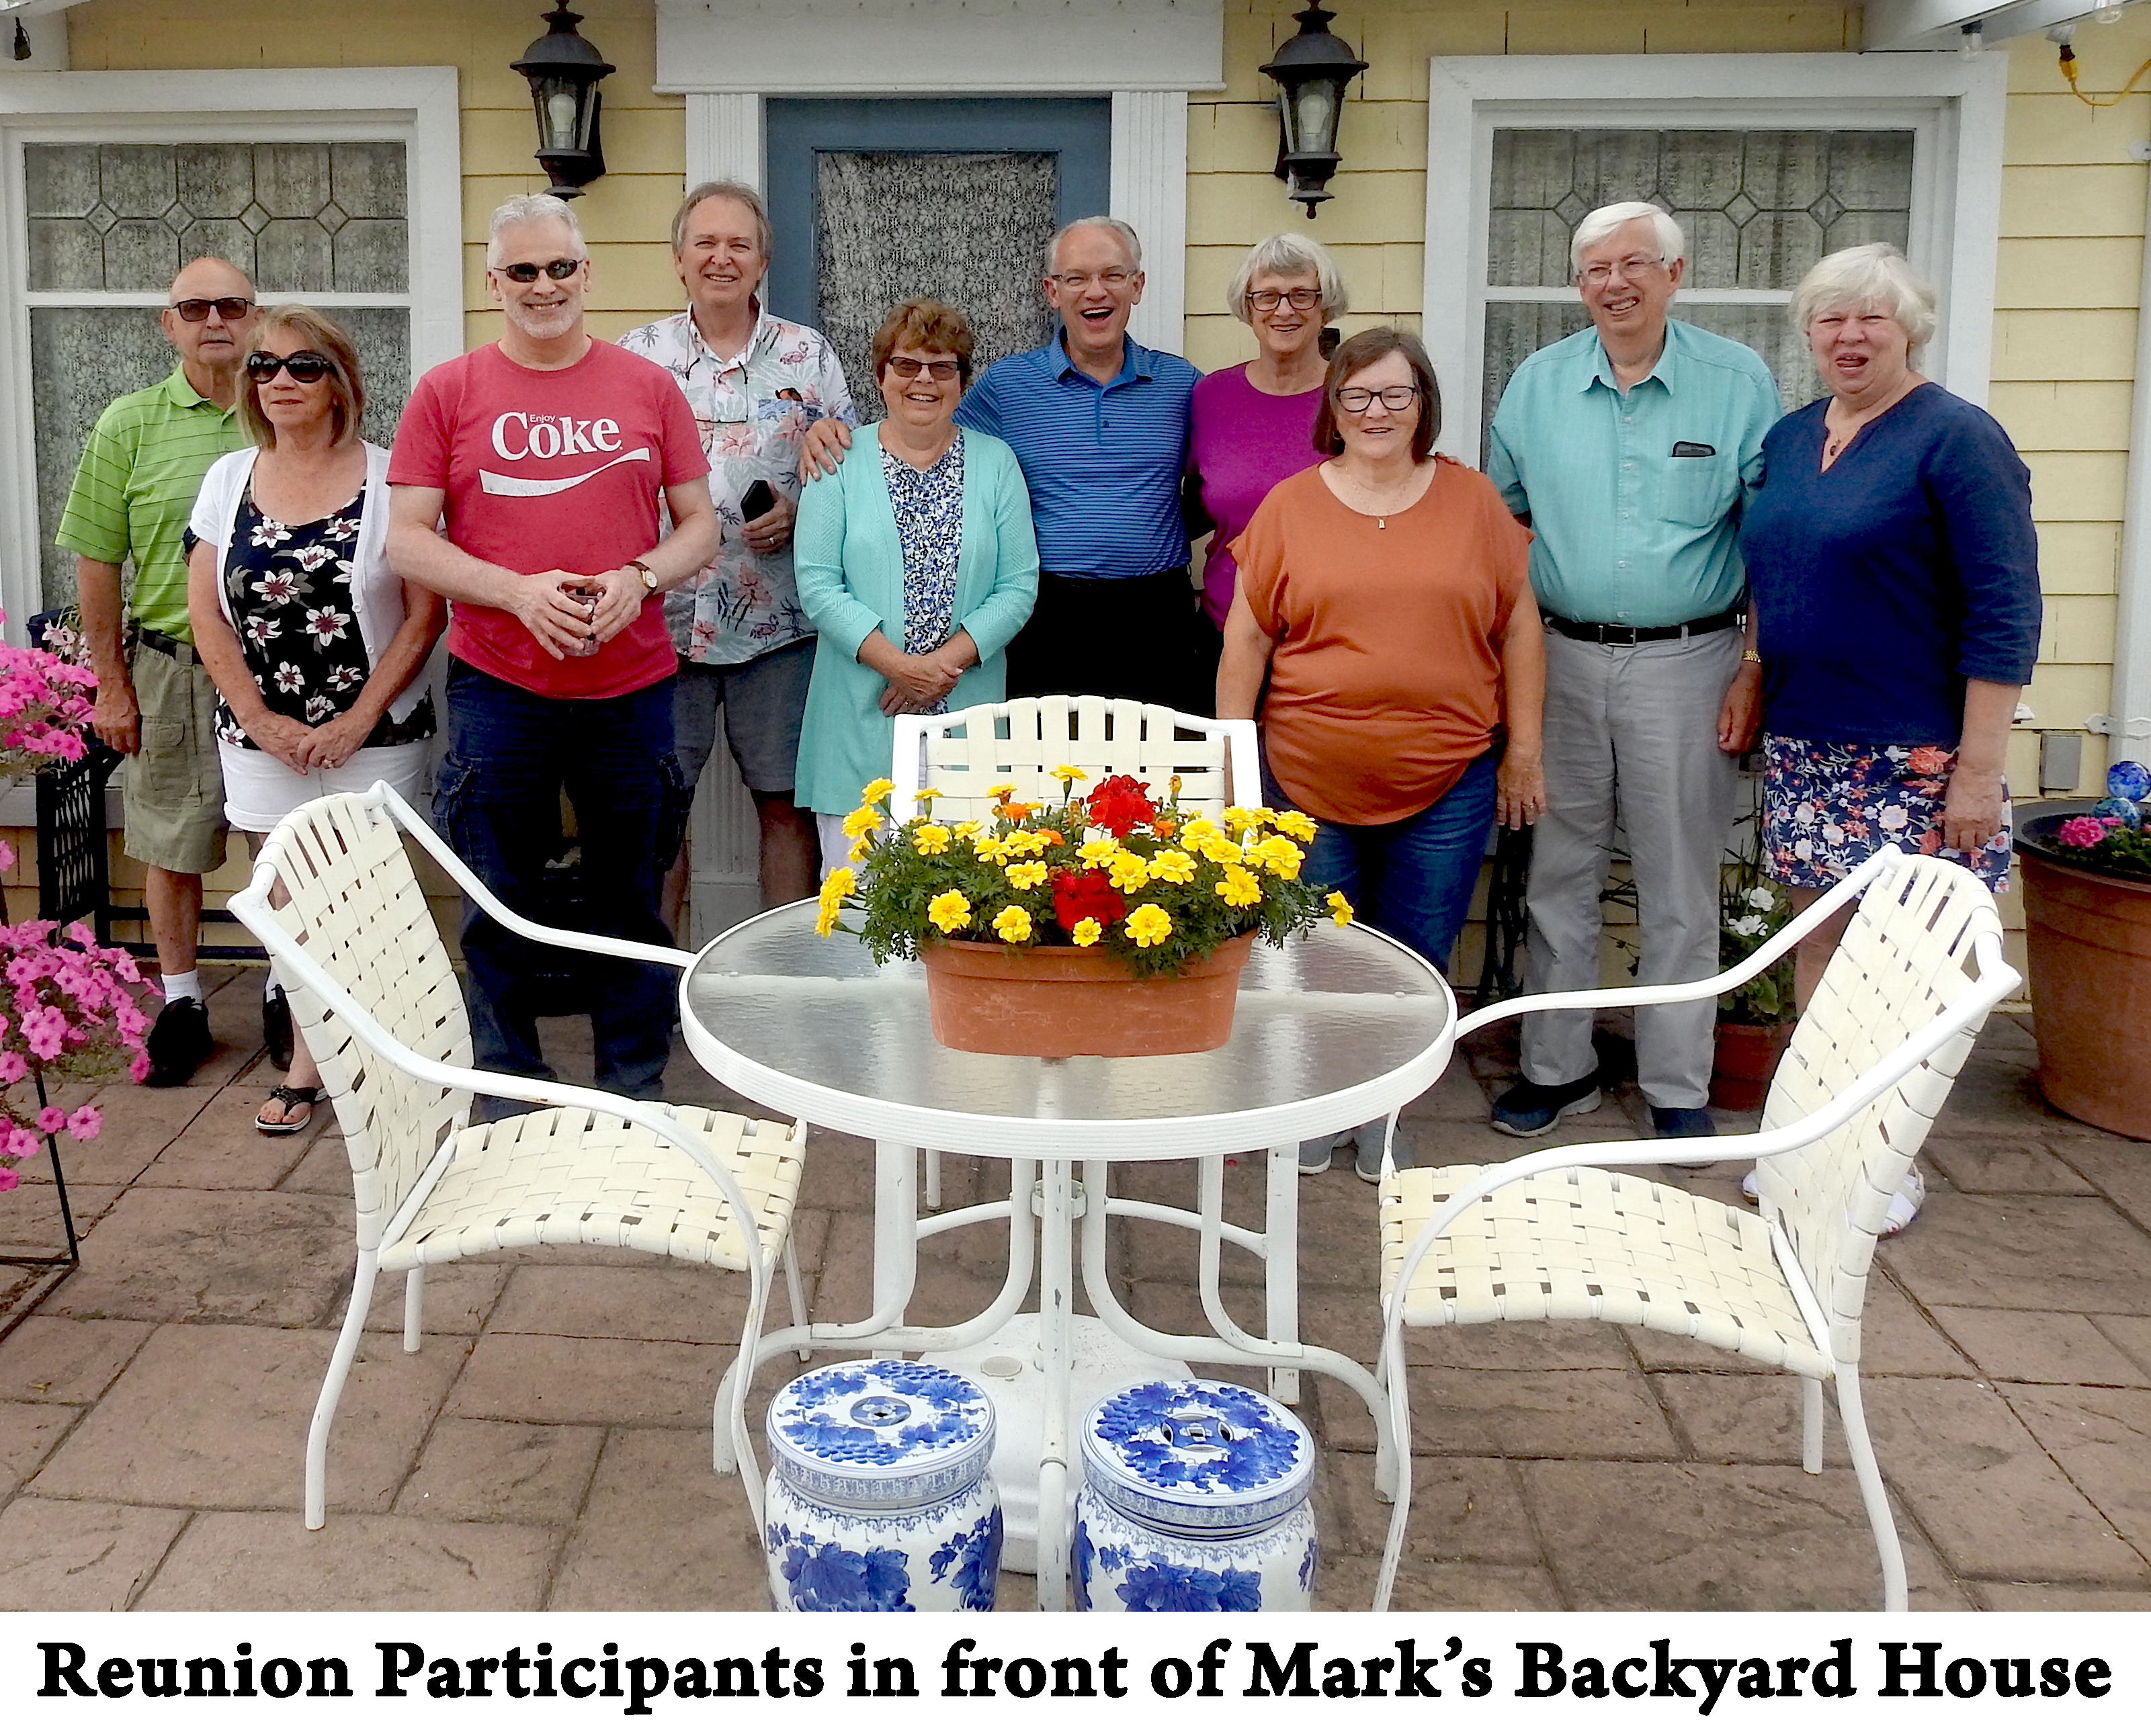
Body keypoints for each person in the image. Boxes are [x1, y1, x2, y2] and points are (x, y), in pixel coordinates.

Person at [386, 194, 720, 1117]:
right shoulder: (447, 392)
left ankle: (632, 1085)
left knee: (631, 894)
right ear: (493, 283)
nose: (544, 286)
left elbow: (700, 526)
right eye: (523, 271)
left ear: (587, 275)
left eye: (560, 268)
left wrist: (641, 579)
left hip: (631, 685)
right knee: (497, 890)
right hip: (501, 684)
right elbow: (407, 542)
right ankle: (508, 1085)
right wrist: (515, 592)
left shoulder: (646, 389)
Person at [1739, 242, 2040, 1233]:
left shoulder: (1956, 438)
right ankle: (1814, 1144)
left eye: (1872, 316)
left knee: (1907, 972)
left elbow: (2004, 610)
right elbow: (1772, 577)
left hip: (1916, 756)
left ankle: (1881, 1166)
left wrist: (1979, 772)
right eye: (1830, 318)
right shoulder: (1790, 439)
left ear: (1909, 326)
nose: (1850, 335)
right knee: (1820, 951)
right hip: (1808, 743)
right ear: (1808, 333)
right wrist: (1751, 674)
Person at [1485, 201, 1781, 1143]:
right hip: (1559, 658)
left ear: (1675, 272)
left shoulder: (1736, 384)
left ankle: (1676, 1086)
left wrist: (1751, 664)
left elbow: (1768, 539)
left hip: (1690, 662)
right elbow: (1501, 526)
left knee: (1680, 883)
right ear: (1579, 286)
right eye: (1595, 269)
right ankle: (1556, 1068)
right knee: (1558, 875)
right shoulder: (1536, 385)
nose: (1615, 283)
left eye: (1634, 264)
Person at [1218, 327, 1546, 1180]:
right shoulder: (1290, 505)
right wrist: (1232, 763)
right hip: (1305, 777)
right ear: (1334, 407)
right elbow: (1247, 640)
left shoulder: (1474, 504)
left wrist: (1524, 752)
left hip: (1448, 778)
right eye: (1357, 395)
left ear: (1423, 405)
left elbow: (1519, 628)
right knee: (1314, 958)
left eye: (1396, 394)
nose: (1376, 411)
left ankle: (1387, 1114)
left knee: (1416, 960)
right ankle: (1319, 1109)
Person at [185, 307, 446, 1135]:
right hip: (264, 738)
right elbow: (207, 616)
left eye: (303, 367)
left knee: (369, 906)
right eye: (263, 369)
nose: (280, 383)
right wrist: (259, 718)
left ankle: (390, 1059)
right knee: (292, 907)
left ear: (341, 383)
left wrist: (356, 721)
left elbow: (423, 614)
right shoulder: (228, 479)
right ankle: (310, 1061)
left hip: (378, 730)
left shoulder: (393, 476)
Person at [803, 217, 1202, 709]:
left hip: (1156, 613)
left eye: (1112, 275)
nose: (1094, 291)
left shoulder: (1182, 386)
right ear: (1051, 292)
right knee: (1048, 774)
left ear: (1136, 286)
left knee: (1158, 772)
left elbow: (1218, 486)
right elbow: (925, 432)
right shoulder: (1009, 387)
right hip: (1050, 616)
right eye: (1075, 278)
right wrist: (832, 434)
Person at [617, 182, 855, 930]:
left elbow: (851, 476)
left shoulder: (808, 355)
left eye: (739, 245)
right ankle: (653, 988)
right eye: (707, 243)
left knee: (785, 804)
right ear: (679, 259)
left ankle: (780, 982)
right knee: (659, 811)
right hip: (660, 620)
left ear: (762, 262)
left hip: (776, 622)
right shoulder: (635, 358)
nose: (722, 258)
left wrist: (802, 512)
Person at [55, 257, 263, 1086]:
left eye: (232, 305)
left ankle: (291, 997)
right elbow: (98, 563)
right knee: (171, 842)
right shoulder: (128, 425)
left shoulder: (285, 409)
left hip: (276, 673)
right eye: (195, 306)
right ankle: (182, 1004)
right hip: (172, 667)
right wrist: (111, 682)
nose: (216, 319)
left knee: (283, 843)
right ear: (167, 324)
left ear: (255, 317)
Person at [792, 300, 1038, 867]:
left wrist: (937, 672)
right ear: (881, 377)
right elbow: (819, 584)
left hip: (966, 716)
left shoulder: (996, 462)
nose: (923, 380)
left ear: (961, 381)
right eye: (906, 366)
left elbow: (1018, 586)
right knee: (860, 905)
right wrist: (898, 667)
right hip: (861, 713)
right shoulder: (838, 461)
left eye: (942, 367)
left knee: (965, 903)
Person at [1186, 233, 1346, 686]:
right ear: (1247, 307)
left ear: (1324, 304)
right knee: (1224, 759)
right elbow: (1188, 500)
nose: (1284, 310)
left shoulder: (1353, 396)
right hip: (1224, 629)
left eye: (1301, 295)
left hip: (1331, 636)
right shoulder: (1211, 397)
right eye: (1267, 296)